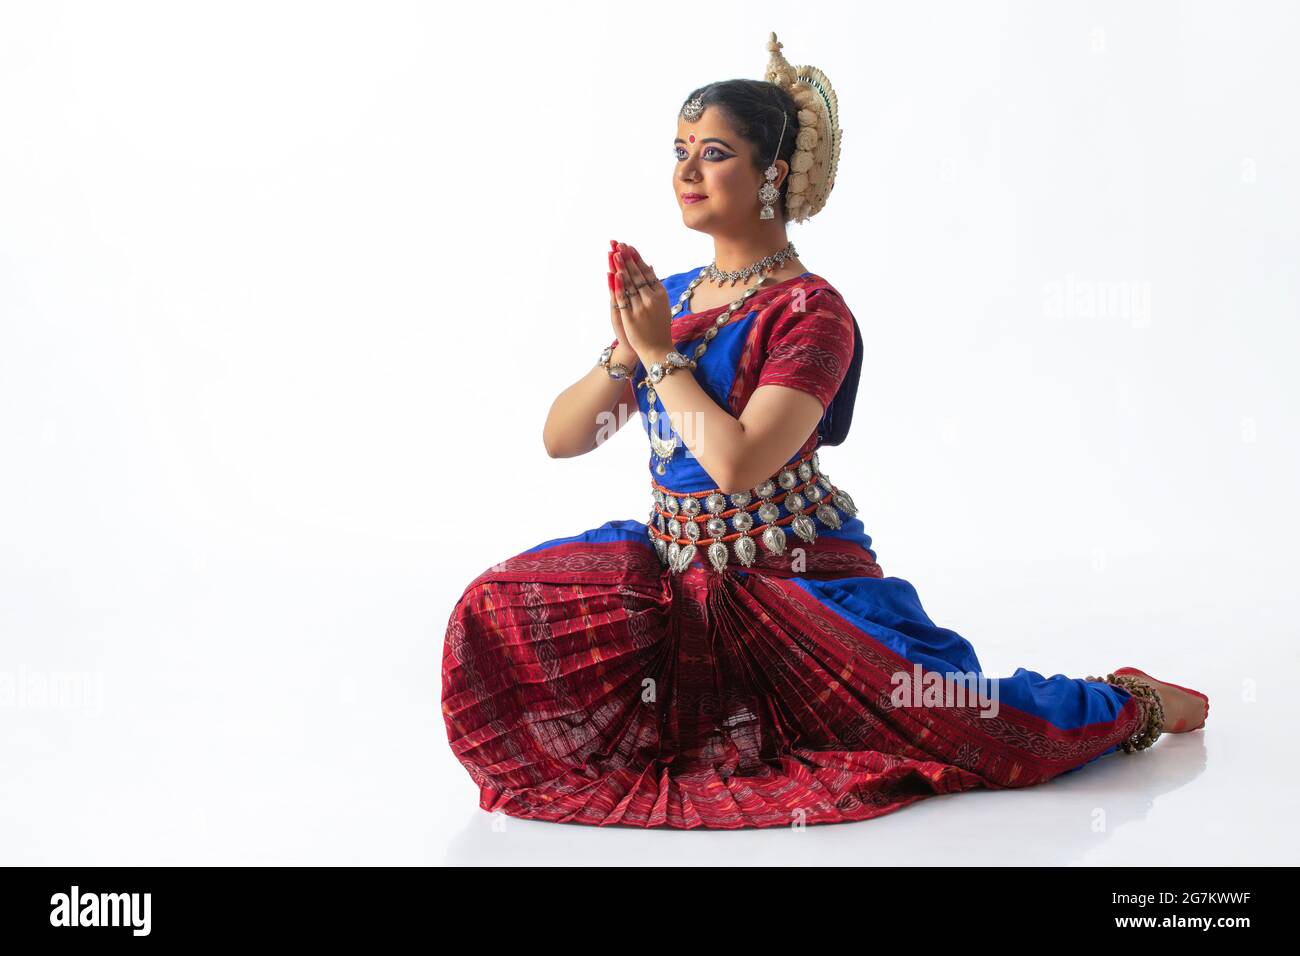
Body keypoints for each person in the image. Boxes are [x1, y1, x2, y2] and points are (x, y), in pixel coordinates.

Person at [440, 32, 1209, 829]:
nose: (686, 172)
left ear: (772, 173)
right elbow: (562, 439)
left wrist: (662, 357)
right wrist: (624, 348)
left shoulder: (812, 313)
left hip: (791, 579)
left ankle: (1131, 703)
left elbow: (738, 463)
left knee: (974, 729)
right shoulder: (668, 297)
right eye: (679, 151)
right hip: (676, 577)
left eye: (713, 152)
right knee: (495, 613)